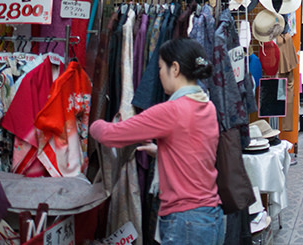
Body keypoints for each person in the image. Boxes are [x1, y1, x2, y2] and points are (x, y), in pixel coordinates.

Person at [90, 38, 224, 245]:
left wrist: (91, 122)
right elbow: (196, 151)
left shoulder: (172, 111)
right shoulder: (207, 105)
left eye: (161, 67)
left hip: (185, 220)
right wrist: (162, 150)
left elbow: (110, 135)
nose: (159, 74)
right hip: (210, 215)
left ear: (175, 68)